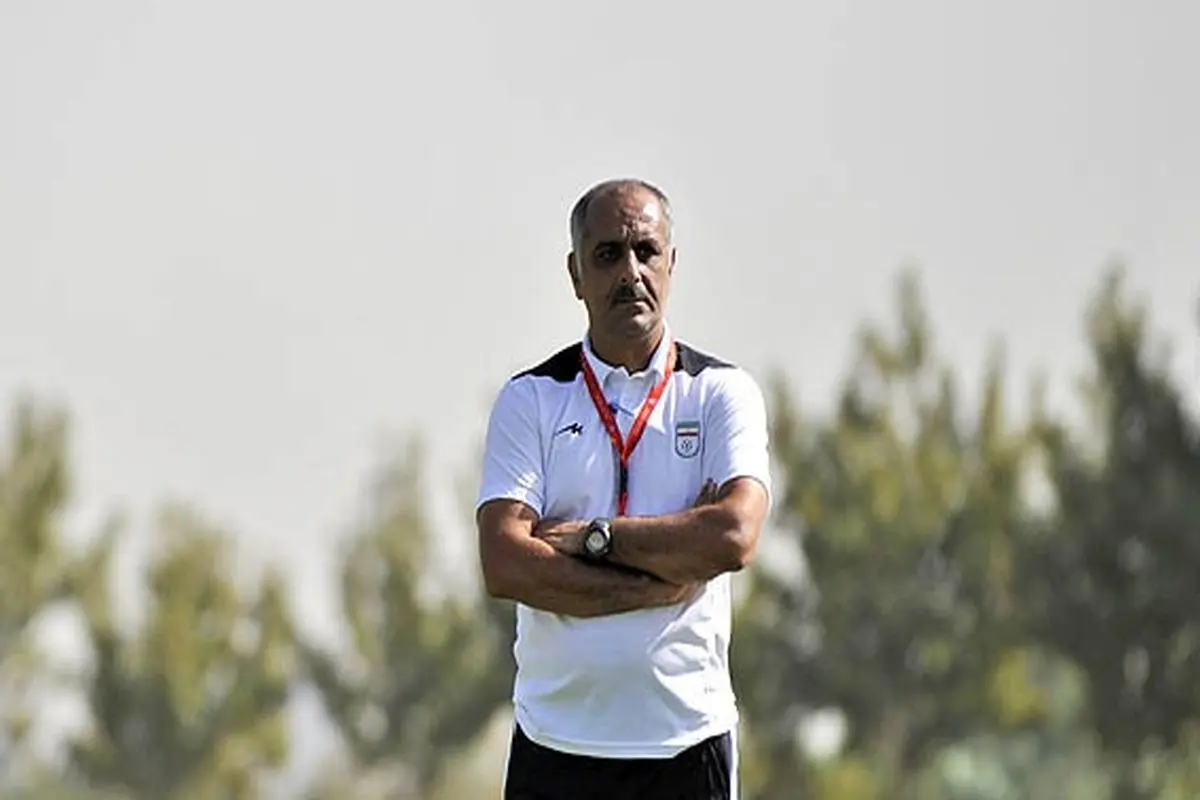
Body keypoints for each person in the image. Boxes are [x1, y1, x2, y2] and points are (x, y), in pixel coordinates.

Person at [475, 178, 772, 800]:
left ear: (671, 262)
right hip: (555, 745)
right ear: (576, 274)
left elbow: (733, 536)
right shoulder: (531, 399)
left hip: (686, 744)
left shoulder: (721, 392)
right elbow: (504, 562)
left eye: (645, 251)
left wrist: (594, 538)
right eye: (607, 254)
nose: (629, 272)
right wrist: (661, 581)